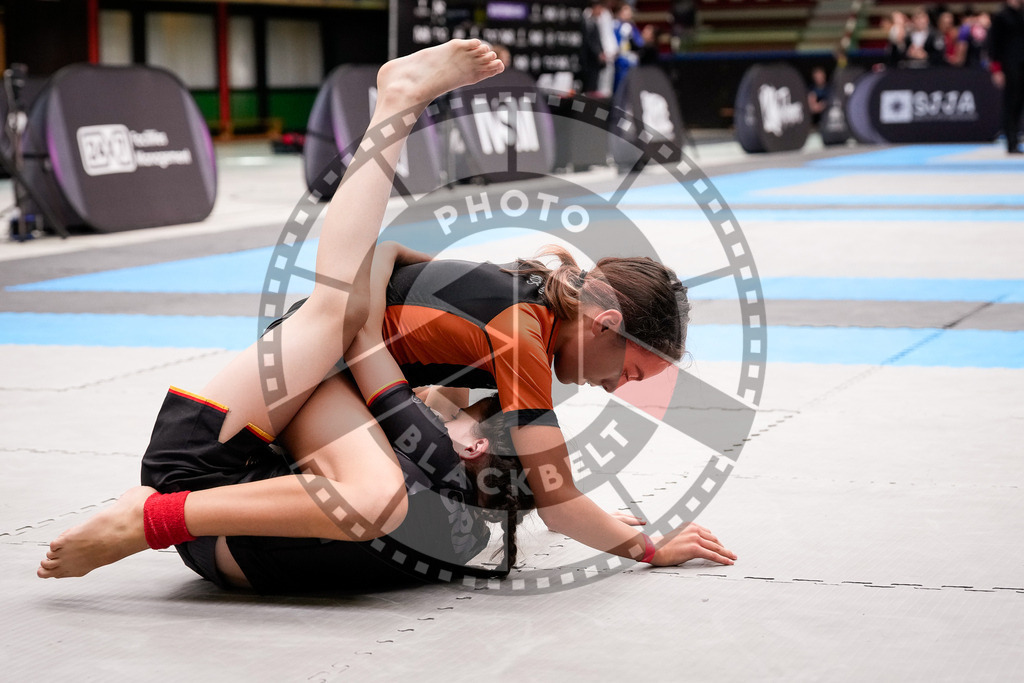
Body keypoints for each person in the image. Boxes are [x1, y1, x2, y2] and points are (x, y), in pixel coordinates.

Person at [38, 40, 737, 589]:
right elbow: (556, 498)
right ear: (605, 324)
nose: (617, 388)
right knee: (338, 326)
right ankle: (396, 103)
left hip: (283, 425)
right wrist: (645, 545)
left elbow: (394, 255)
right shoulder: (524, 330)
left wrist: (371, 329)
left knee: (365, 430)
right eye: (630, 372)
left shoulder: (501, 323)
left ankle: (163, 510)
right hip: (223, 440)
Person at [988, 0, 1024, 153]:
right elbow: (993, 43)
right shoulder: (1001, 16)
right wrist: (996, 69)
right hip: (1009, 65)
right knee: (1011, 102)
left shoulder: (1022, 14)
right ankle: (1011, 141)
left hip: (1023, 64)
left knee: (1020, 103)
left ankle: (1016, 137)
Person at [613, 3, 644, 92]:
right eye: (625, 11)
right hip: (619, 61)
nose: (628, 14)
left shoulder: (631, 27)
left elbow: (639, 43)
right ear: (619, 12)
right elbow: (613, 44)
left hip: (631, 60)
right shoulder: (615, 25)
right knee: (619, 87)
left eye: (629, 11)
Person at [580, 1, 609, 95]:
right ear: (595, 7)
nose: (601, 12)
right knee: (588, 85)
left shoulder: (595, 22)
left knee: (594, 85)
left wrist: (602, 52)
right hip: (588, 60)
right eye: (600, 9)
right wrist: (598, 53)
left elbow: (598, 40)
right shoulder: (586, 21)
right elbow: (589, 41)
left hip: (595, 61)